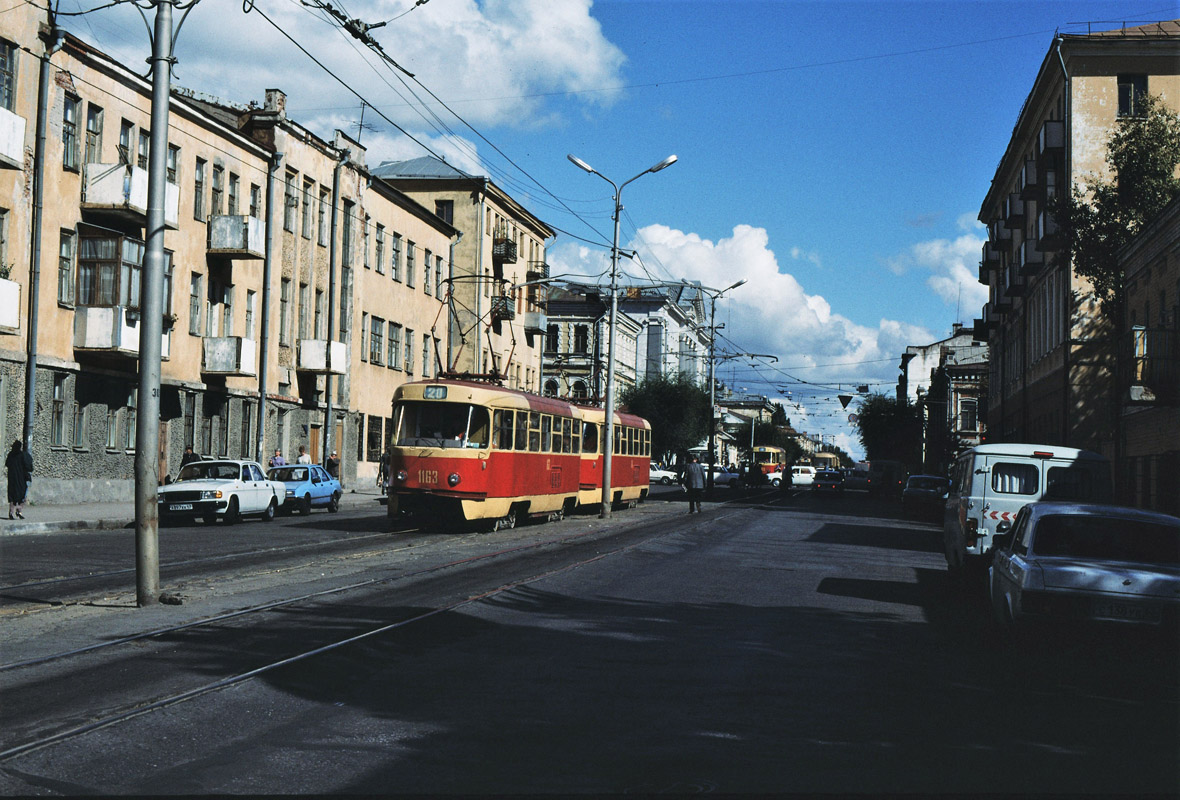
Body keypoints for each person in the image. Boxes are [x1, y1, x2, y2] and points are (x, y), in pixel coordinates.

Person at [6, 439, 33, 520]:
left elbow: (7, 464)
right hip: (22, 479)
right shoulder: (24, 455)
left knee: (12, 496)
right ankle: (19, 511)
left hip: (12, 479)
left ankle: (11, 512)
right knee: (22, 496)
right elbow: (29, 468)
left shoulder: (11, 455)